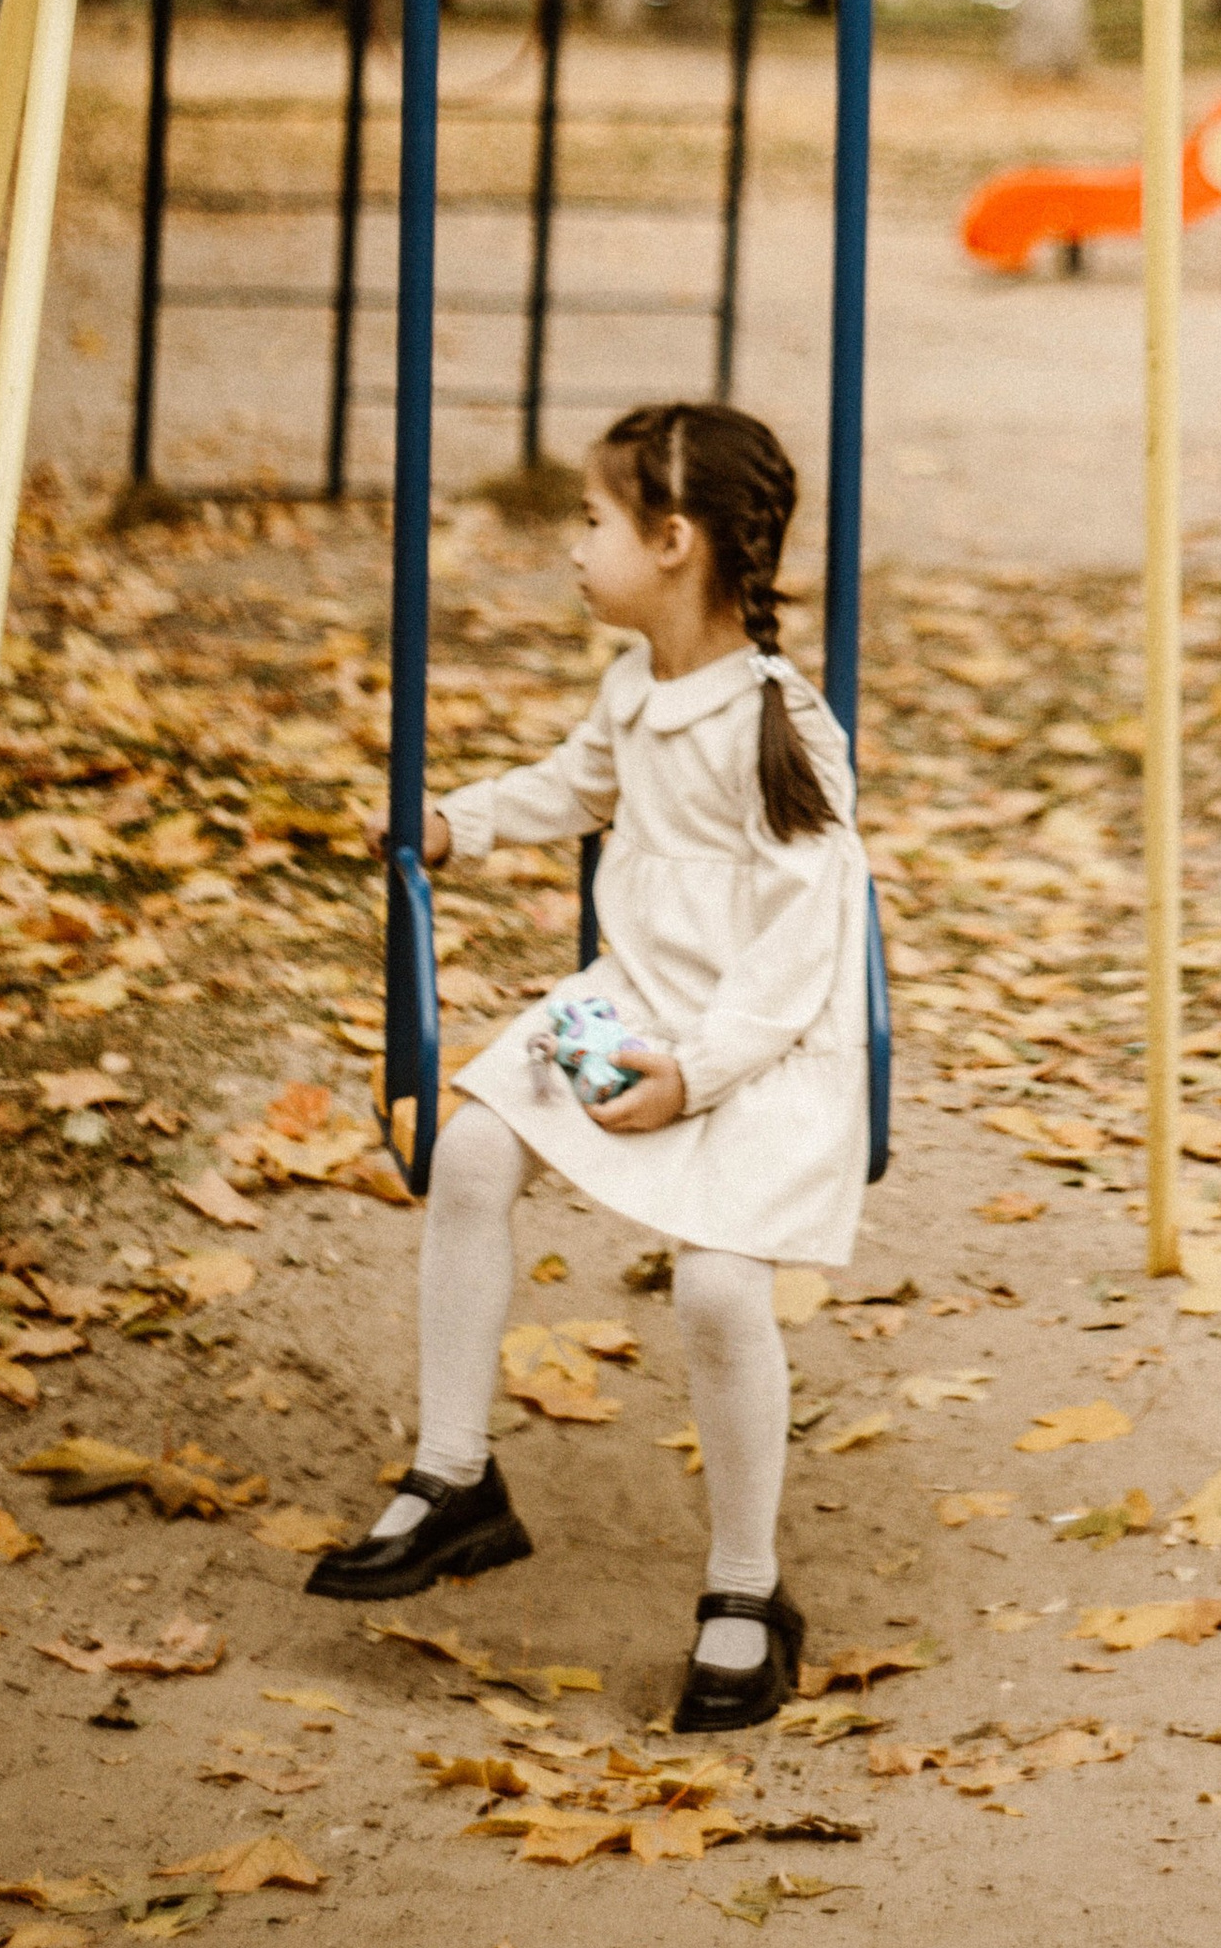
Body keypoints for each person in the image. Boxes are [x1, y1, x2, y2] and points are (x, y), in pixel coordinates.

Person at [308, 401, 870, 1732]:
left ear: (672, 542)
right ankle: (456, 1478)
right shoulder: (636, 688)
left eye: (592, 519)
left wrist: (701, 1072)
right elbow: (575, 784)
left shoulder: (784, 723)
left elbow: (806, 947)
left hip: (763, 1048)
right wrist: (456, 824)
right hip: (632, 1007)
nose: (573, 542)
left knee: (726, 1294)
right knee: (472, 1152)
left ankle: (747, 1590)